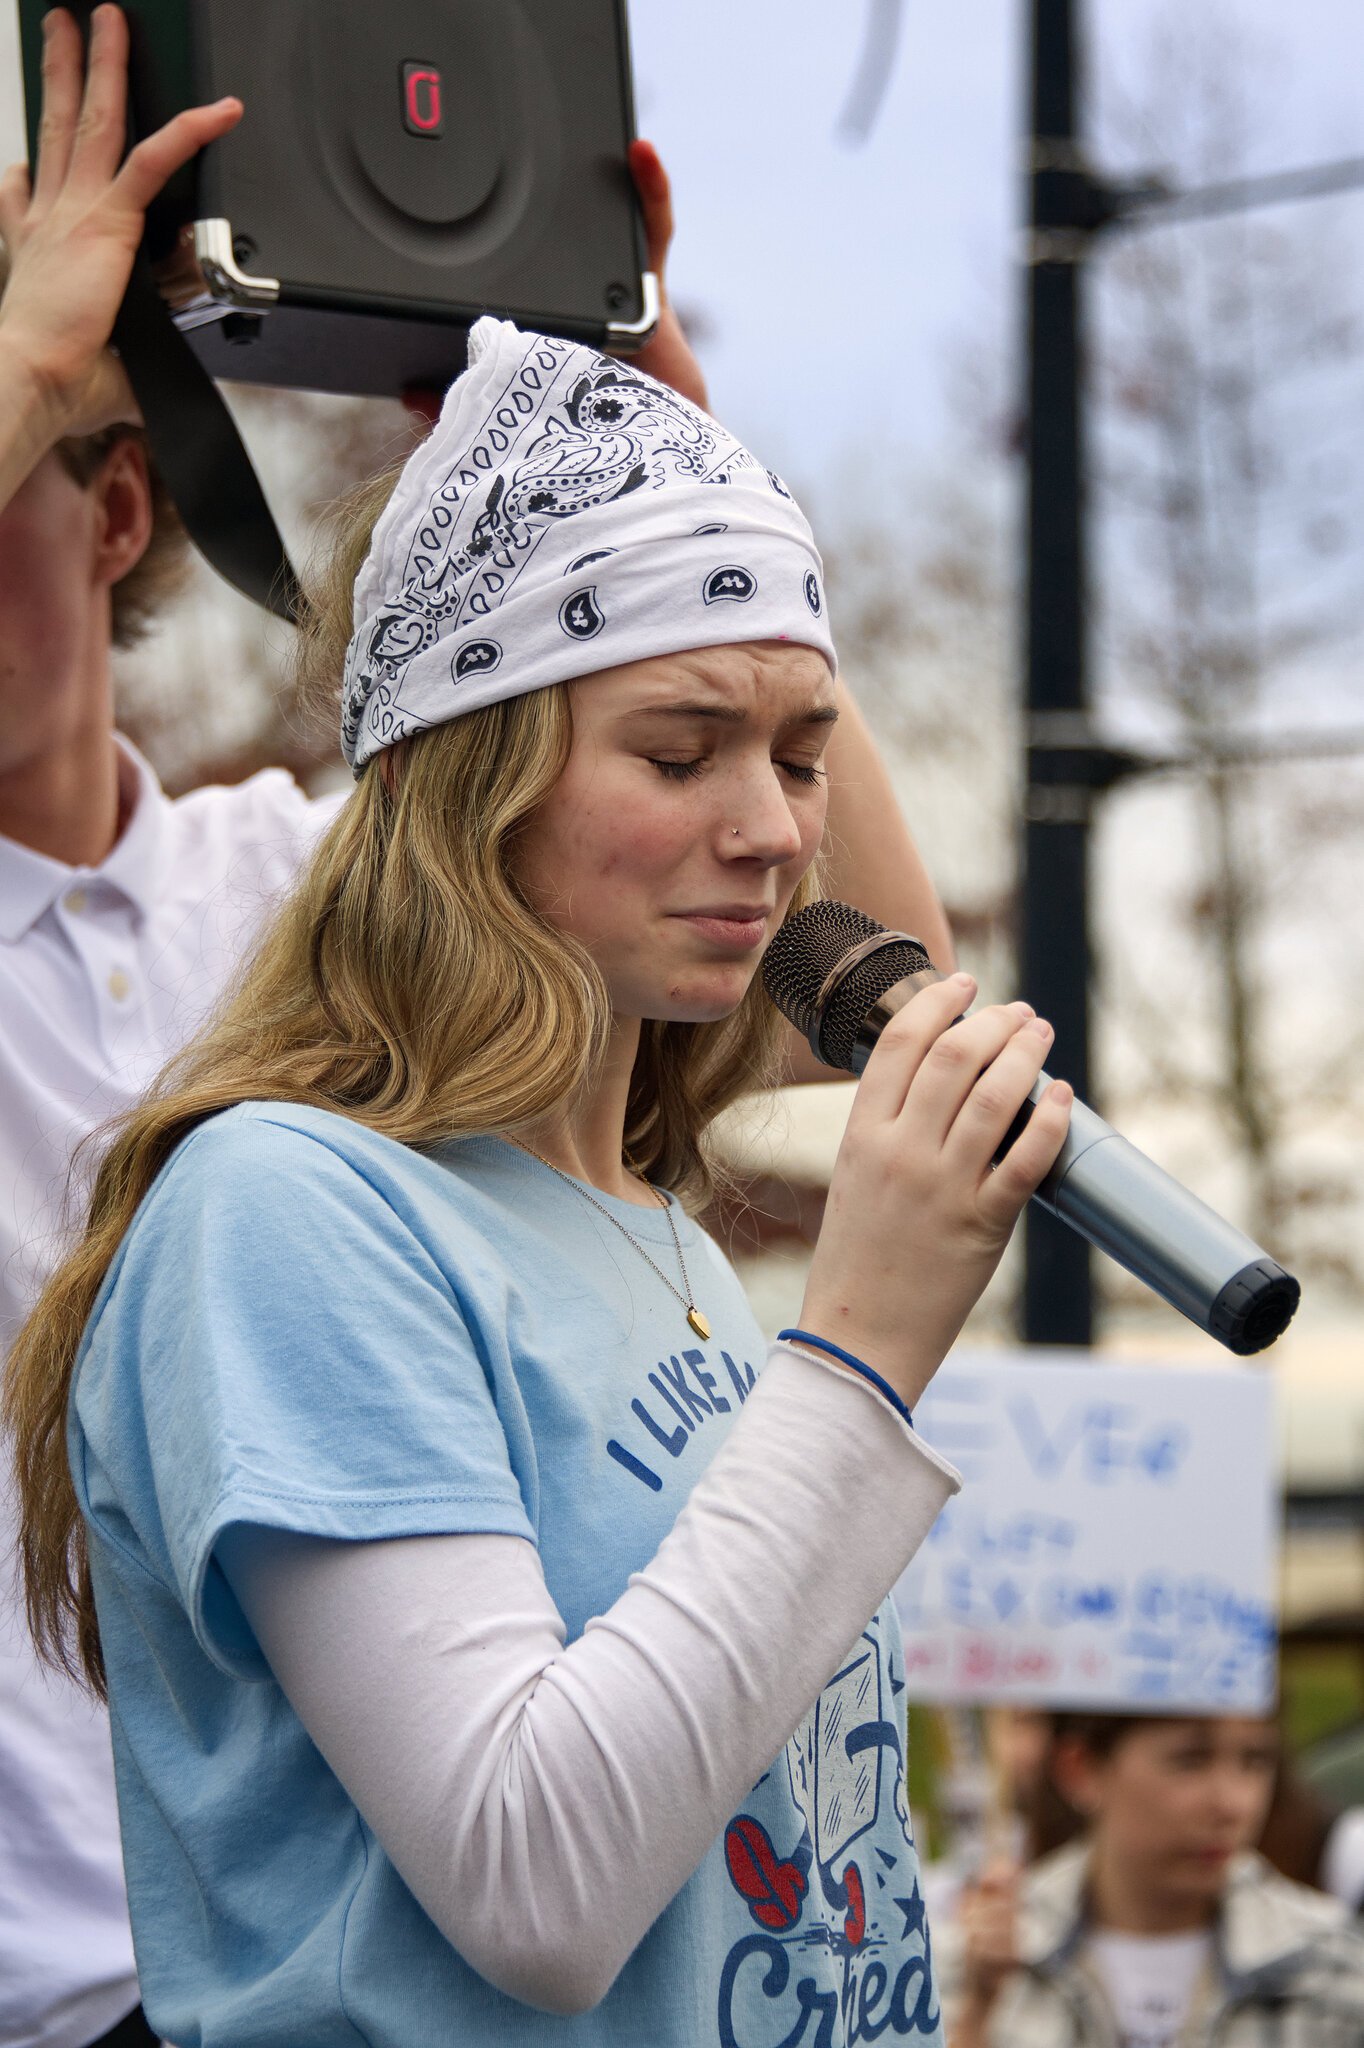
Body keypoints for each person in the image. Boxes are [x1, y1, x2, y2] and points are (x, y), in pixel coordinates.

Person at [0, 11, 958, 2046]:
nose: (752, 817)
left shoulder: (282, 887)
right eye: (690, 744)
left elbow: (852, 949)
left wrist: (675, 455)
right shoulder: (277, 1197)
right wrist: (31, 346)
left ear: (107, 514)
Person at [949, 1711, 1364, 2047]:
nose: (1231, 1803)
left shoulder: (1331, 1963)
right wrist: (977, 2011)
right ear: (1080, 1768)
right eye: (1190, 1760)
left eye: (1255, 1760)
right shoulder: (980, 1957)